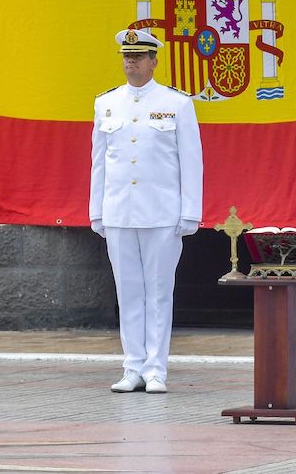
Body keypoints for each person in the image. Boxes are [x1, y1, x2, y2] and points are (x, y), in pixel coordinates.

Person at [90, 29, 203, 394]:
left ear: (154, 62)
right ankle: (132, 367)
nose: (131, 62)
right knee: (127, 292)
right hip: (119, 211)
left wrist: (190, 212)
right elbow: (99, 162)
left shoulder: (176, 103)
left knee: (158, 291)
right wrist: (96, 211)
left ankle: (156, 369)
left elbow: (191, 161)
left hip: (161, 212)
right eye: (127, 56)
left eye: (138, 57)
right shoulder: (106, 103)